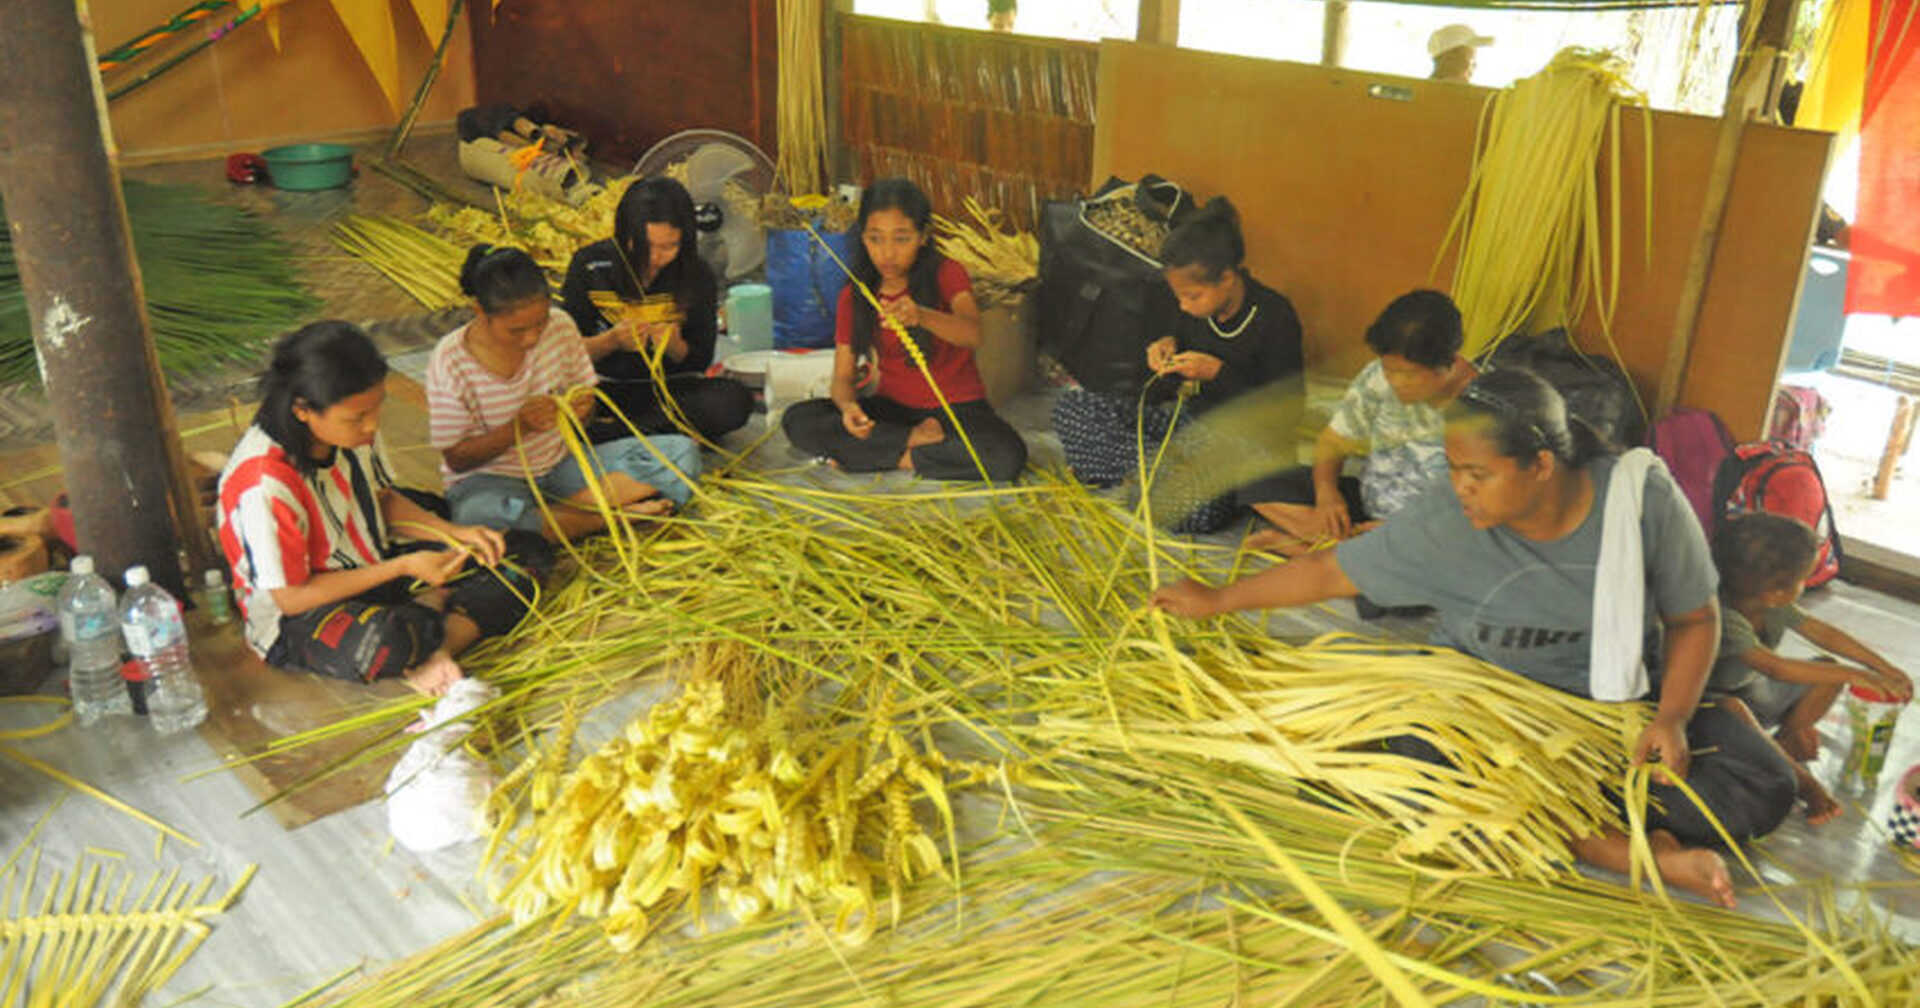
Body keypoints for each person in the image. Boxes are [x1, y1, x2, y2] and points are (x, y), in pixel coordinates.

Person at [1152, 369, 1799, 908]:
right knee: (1414, 766)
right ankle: (1620, 846)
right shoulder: (1449, 516)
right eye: (1454, 467)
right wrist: (1218, 600)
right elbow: (1331, 569)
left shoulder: (1637, 500)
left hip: (1616, 715)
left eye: (1477, 473)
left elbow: (1695, 619)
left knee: (1764, 782)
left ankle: (1577, 825)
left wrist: (1675, 719)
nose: (1459, 486)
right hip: (1485, 717)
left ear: (1542, 464)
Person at [217, 321, 551, 696]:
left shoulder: (353, 428)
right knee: (381, 644)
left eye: (376, 408)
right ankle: (428, 620)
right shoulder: (264, 483)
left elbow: (383, 500)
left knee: (520, 551)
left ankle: (434, 647)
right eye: (357, 417)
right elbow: (292, 597)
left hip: (373, 558)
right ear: (303, 410)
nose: (372, 425)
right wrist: (405, 566)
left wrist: (454, 533)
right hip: (301, 615)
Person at [1051, 196, 1304, 532]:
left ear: (1227, 278)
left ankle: (1139, 472)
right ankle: (1154, 472)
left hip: (1240, 441)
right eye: (1179, 297)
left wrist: (1218, 373)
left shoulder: (1274, 316)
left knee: (1197, 507)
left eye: (1193, 297)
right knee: (1071, 407)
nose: (1184, 307)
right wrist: (1162, 353)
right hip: (1185, 426)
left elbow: (1287, 411)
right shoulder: (1191, 312)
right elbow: (1164, 388)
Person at [431, 244, 702, 540]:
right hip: (492, 481)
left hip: (561, 467)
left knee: (681, 454)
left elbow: (584, 410)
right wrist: (517, 428)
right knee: (481, 518)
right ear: (480, 311)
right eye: (517, 330)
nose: (533, 337)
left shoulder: (560, 326)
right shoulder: (451, 359)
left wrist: (582, 412)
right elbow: (457, 458)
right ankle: (612, 515)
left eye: (540, 322)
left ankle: (552, 521)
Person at [780, 178, 1028, 482]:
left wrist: (921, 315)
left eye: (901, 239)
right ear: (863, 238)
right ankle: (911, 443)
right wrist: (848, 408)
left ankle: (886, 456)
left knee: (1006, 455)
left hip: (957, 409)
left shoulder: (947, 273)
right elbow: (842, 378)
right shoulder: (856, 293)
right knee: (798, 419)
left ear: (922, 237)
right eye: (875, 239)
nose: (887, 254)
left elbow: (972, 334)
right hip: (893, 412)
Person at [1240, 289, 1475, 554]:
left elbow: (1483, 511)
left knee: (1452, 556)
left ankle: (1313, 549)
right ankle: (1349, 551)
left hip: (1426, 530)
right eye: (1389, 369)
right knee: (1255, 478)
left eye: (1407, 375)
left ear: (1447, 363)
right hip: (1366, 506)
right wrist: (1327, 493)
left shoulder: (1484, 406)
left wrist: (1400, 530)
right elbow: (1333, 441)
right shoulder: (1377, 376)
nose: (1394, 382)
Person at [559, 177, 754, 445]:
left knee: (732, 401)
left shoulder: (696, 274)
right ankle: (660, 436)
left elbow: (699, 360)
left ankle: (617, 436)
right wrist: (610, 342)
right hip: (603, 388)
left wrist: (674, 345)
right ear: (625, 234)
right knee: (558, 407)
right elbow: (563, 352)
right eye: (644, 246)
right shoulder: (591, 265)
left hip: (670, 389)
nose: (655, 258)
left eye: (669, 247)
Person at [1708, 513, 1913, 762]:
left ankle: (1784, 744)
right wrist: (1857, 674)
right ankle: (1772, 758)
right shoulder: (1725, 619)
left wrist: (1881, 666)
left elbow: (1823, 633)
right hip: (1716, 707)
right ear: (1775, 593)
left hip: (1756, 691)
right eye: (1803, 579)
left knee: (1828, 672)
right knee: (1734, 708)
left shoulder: (1771, 602)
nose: (1805, 585)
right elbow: (1776, 668)